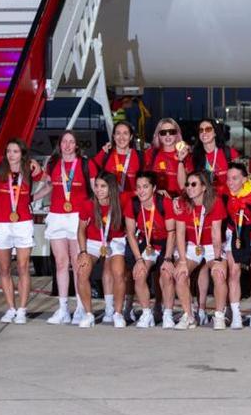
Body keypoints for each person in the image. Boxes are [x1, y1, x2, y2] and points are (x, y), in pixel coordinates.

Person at [33, 130, 97, 325]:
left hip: (78, 217)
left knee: (78, 264)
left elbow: (95, 191)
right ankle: (62, 309)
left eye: (71, 142)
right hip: (57, 217)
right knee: (61, 263)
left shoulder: (87, 164)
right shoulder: (53, 164)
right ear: (60, 144)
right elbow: (50, 186)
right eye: (64, 142)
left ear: (77, 145)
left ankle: (80, 307)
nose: (68, 145)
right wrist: (31, 198)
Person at [181, 119, 239, 326]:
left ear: (215, 132)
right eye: (201, 130)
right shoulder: (194, 156)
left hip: (227, 212)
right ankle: (202, 309)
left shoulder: (228, 153)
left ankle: (228, 311)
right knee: (203, 267)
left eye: (208, 129)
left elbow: (240, 179)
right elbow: (185, 183)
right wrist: (181, 161)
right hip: (204, 212)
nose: (204, 133)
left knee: (225, 265)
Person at [92, 120, 143, 322]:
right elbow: (93, 176)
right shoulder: (105, 156)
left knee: (126, 265)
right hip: (109, 211)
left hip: (130, 211)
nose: (121, 137)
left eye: (125, 134)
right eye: (117, 133)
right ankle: (109, 307)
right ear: (113, 137)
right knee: (107, 264)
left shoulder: (139, 156)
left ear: (131, 137)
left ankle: (127, 306)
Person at [0, 138, 42, 324]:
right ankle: (10, 308)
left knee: (22, 267)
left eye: (15, 151)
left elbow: (51, 183)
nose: (11, 155)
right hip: (2, 223)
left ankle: (22, 309)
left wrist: (32, 198)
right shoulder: (0, 169)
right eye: (9, 151)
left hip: (23, 223)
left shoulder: (30, 169)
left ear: (22, 153)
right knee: (4, 268)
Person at [170, 170, 229, 330]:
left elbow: (216, 233)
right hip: (191, 245)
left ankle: (219, 316)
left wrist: (217, 259)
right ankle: (189, 316)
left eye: (194, 184)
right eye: (187, 184)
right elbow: (180, 233)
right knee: (180, 274)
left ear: (204, 187)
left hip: (211, 245)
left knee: (219, 274)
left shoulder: (215, 202)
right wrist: (182, 261)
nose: (189, 187)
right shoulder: (182, 203)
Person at [123, 171, 177, 328]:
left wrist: (167, 259)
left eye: (145, 187)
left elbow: (172, 233)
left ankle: (167, 314)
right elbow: (131, 234)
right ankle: (147, 314)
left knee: (166, 275)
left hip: (166, 244)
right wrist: (139, 260)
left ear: (154, 188)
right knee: (139, 274)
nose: (141, 191)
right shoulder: (133, 204)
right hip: (148, 244)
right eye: (138, 187)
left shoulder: (164, 203)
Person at [75, 172, 127, 328]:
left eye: (103, 186)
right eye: (96, 186)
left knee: (118, 272)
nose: (98, 190)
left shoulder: (122, 199)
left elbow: (144, 194)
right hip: (93, 241)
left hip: (116, 241)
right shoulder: (88, 203)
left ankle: (117, 313)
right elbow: (81, 230)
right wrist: (83, 252)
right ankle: (88, 314)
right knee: (82, 271)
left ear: (111, 188)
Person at [223, 162, 251, 329]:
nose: (230, 182)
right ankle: (236, 316)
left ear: (244, 179)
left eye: (234, 178)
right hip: (233, 233)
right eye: (228, 178)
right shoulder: (225, 191)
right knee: (233, 272)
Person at [144, 118, 188, 198]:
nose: (167, 135)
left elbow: (182, 186)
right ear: (158, 135)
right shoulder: (150, 153)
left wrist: (180, 160)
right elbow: (144, 181)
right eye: (163, 133)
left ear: (177, 134)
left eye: (171, 132)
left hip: (177, 202)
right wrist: (156, 191)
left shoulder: (186, 155)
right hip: (156, 201)